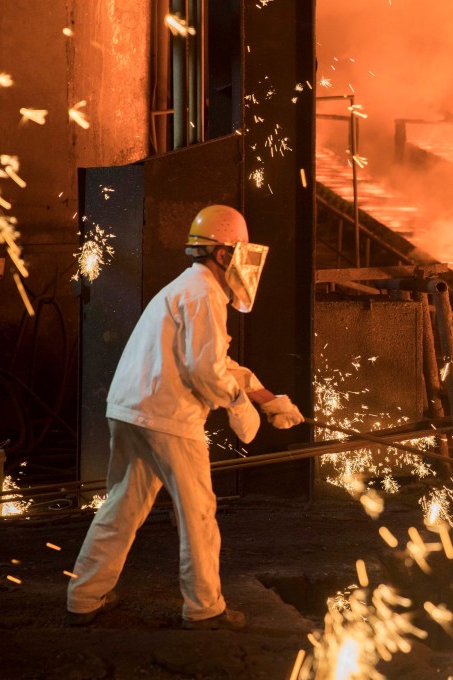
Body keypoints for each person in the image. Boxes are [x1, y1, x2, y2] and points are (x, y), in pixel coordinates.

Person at [65, 205, 304, 630]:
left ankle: (85, 596)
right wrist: (239, 406)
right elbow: (204, 370)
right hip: (168, 418)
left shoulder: (187, 287)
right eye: (238, 252)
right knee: (198, 514)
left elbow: (219, 362)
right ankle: (204, 608)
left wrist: (271, 400)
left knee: (122, 507)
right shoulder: (205, 295)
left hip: (132, 411)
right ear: (223, 254)